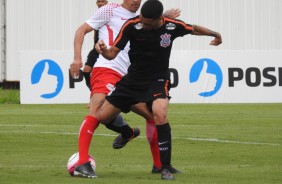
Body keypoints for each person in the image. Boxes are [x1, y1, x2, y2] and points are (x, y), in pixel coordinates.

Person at [95, 0, 222, 180]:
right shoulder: (132, 25)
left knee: (160, 114)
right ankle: (127, 133)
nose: (143, 24)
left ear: (158, 19)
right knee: (102, 117)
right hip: (132, 81)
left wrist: (215, 34)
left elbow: (193, 29)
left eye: (147, 23)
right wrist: (102, 50)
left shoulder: (172, 27)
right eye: (141, 20)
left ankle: (165, 166)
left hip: (157, 80)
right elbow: (112, 53)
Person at [70, 0, 181, 179]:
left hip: (130, 77)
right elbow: (81, 30)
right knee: (96, 111)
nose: (136, 1)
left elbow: (151, 24)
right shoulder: (109, 10)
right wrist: (77, 58)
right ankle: (82, 163)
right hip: (107, 68)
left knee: (152, 115)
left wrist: (164, 16)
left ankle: (159, 164)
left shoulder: (140, 18)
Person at [82, 0, 108, 90]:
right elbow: (95, 31)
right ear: (96, 3)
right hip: (96, 48)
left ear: (106, 3)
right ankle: (93, 94)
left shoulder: (111, 15)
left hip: (107, 49)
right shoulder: (96, 16)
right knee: (86, 71)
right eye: (99, 1)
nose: (101, 3)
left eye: (103, 1)